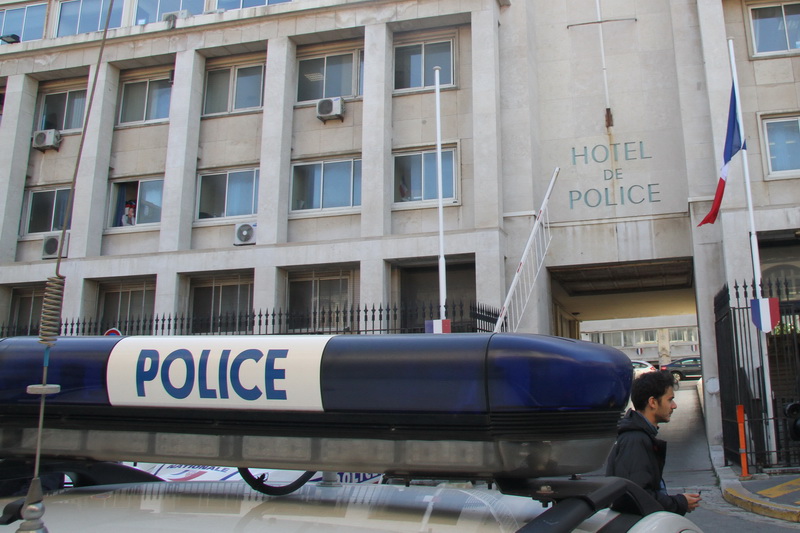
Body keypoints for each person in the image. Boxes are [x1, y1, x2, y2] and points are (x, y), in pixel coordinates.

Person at [605, 370, 701, 515]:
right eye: (669, 400)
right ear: (653, 402)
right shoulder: (635, 439)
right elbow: (636, 497)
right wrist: (679, 502)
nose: (674, 406)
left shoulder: (639, 436)